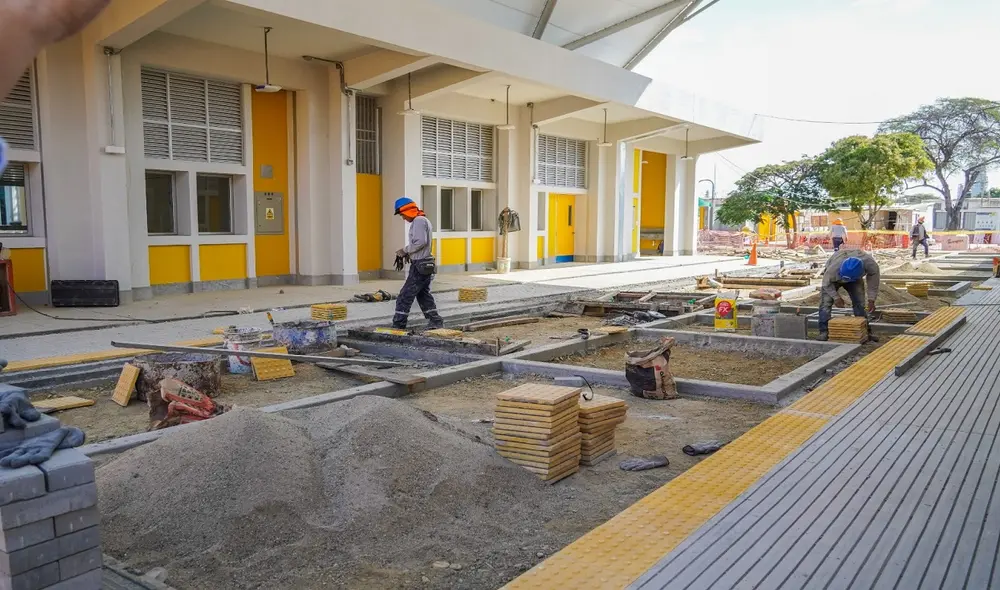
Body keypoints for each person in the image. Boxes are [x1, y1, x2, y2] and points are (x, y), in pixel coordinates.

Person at [391, 197, 444, 330]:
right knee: (423, 294)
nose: (403, 218)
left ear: (407, 211)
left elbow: (420, 242)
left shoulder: (419, 221)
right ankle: (435, 321)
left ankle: (399, 325)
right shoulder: (422, 220)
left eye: (402, 215)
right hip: (425, 264)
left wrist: (405, 250)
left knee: (405, 295)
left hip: (420, 265)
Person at [817, 249, 880, 342]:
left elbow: (873, 282)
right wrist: (836, 297)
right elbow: (826, 284)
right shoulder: (833, 269)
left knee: (860, 303)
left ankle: (865, 332)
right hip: (834, 279)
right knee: (825, 303)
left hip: (855, 279)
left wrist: (871, 299)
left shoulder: (871, 265)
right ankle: (824, 331)